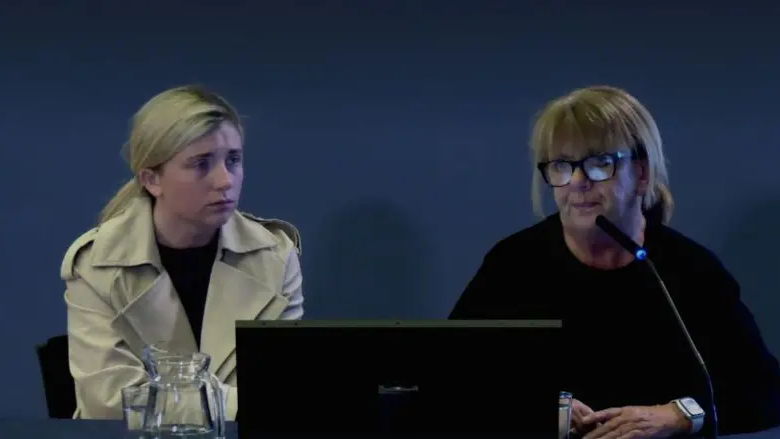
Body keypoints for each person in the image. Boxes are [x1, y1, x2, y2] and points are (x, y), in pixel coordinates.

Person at [449, 85, 780, 438]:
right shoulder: (514, 264)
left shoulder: (688, 269)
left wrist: (679, 416)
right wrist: (537, 409)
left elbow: (766, 393)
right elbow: (447, 382)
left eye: (598, 163)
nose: (577, 182)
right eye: (562, 165)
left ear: (641, 173)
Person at [60, 85, 304, 421]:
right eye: (201, 164)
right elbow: (110, 403)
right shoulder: (95, 263)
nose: (225, 180)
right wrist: (234, 405)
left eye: (233, 159)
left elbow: (282, 389)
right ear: (152, 179)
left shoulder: (274, 256)